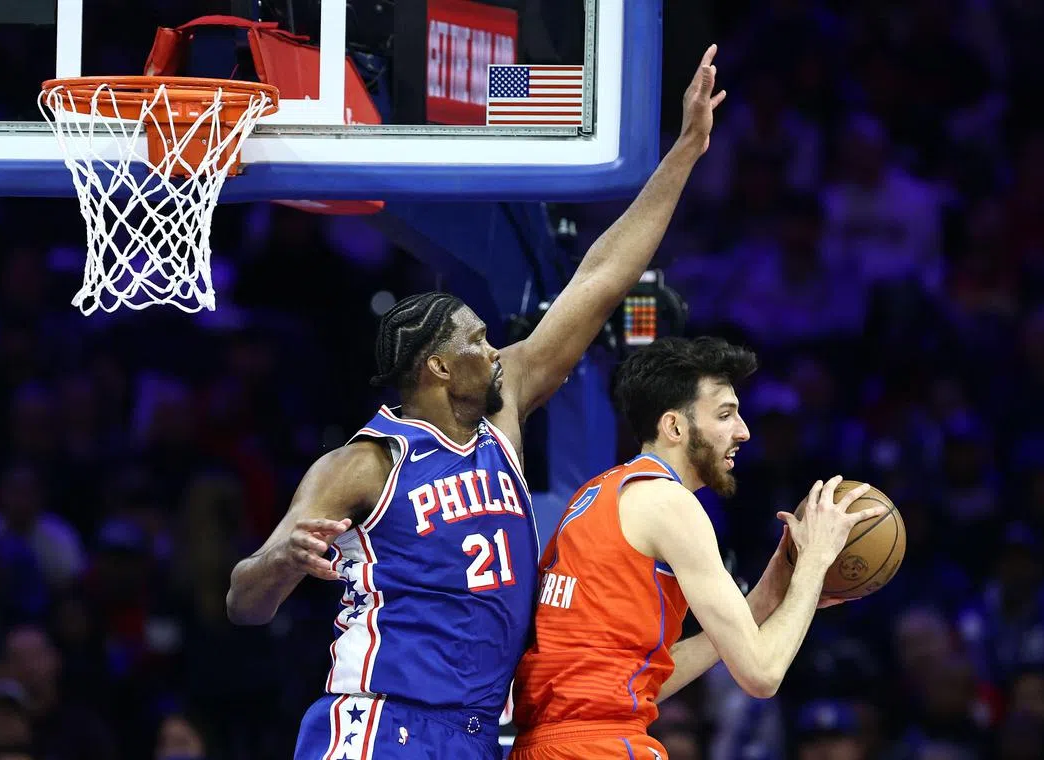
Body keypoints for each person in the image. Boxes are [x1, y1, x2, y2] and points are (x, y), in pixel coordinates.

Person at [225, 45, 728, 760]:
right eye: (478, 340)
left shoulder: (503, 413)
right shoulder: (365, 463)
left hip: (474, 734)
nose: (496, 351)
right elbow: (244, 603)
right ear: (437, 365)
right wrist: (282, 558)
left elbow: (600, 280)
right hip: (381, 722)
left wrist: (682, 153)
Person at [509, 336, 882, 759]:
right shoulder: (670, 503)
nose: (743, 431)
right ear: (674, 427)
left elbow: (638, 683)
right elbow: (762, 674)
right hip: (601, 747)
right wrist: (815, 560)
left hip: (544, 745)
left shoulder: (597, 494)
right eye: (725, 414)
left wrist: (772, 594)